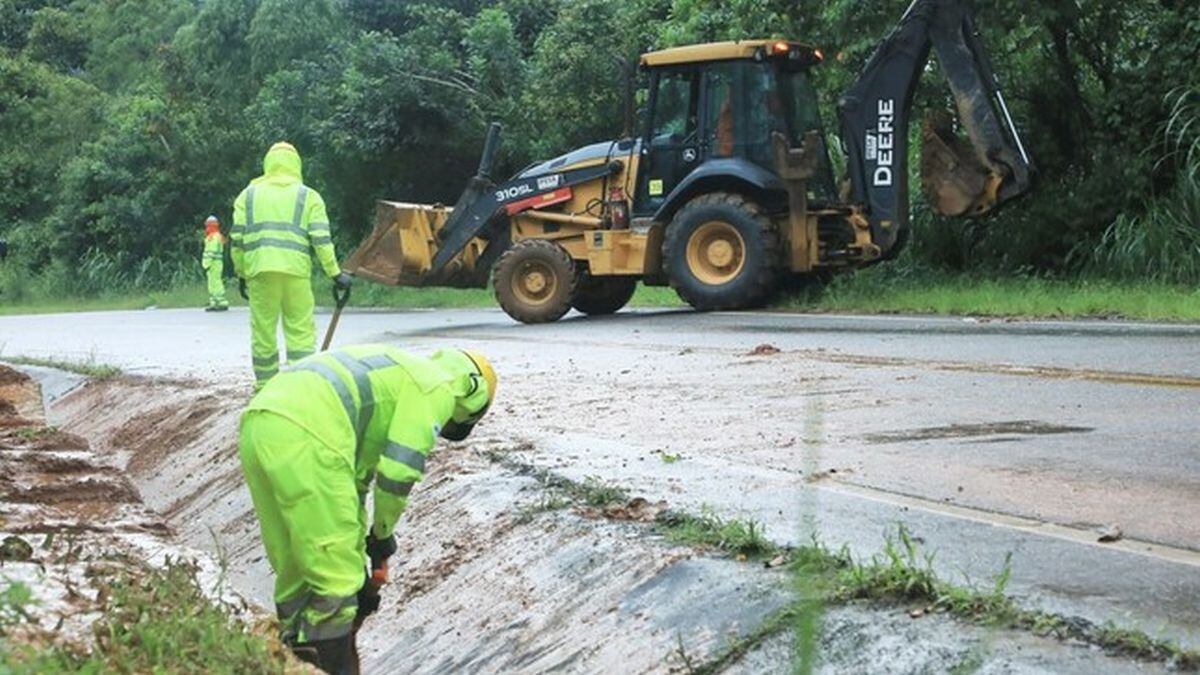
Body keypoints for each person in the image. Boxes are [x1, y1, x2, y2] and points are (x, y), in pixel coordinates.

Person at [238, 344, 497, 674]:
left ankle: (288, 658)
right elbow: (398, 472)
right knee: (336, 584)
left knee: (297, 567)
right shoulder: (437, 386)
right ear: (472, 403)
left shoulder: (398, 371)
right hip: (311, 433)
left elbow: (352, 491)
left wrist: (363, 551)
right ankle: (330, 668)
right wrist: (382, 535)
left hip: (260, 423)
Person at [231, 142, 352, 388]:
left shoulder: (248, 196)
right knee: (300, 333)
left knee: (263, 334)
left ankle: (265, 389)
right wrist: (335, 273)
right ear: (296, 164)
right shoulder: (308, 197)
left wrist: (242, 273)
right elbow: (321, 240)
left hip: (261, 274)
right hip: (296, 274)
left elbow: (237, 241)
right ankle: (300, 389)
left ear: (268, 163)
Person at [201, 216, 229, 311]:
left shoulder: (213, 237)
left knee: (215, 282)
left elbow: (211, 251)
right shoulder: (215, 236)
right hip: (214, 263)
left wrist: (206, 263)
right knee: (212, 282)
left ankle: (221, 302)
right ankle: (214, 302)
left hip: (213, 263)